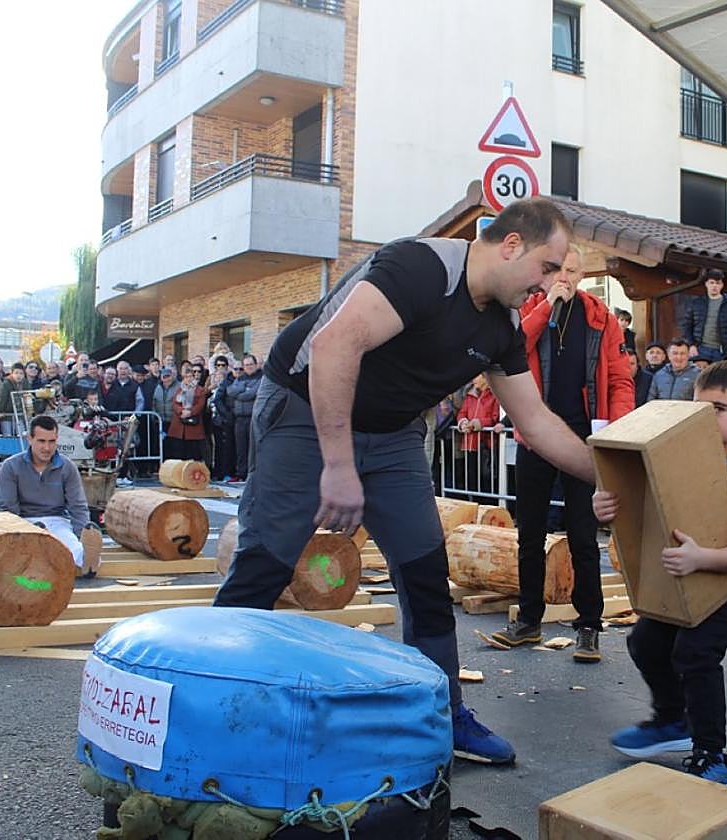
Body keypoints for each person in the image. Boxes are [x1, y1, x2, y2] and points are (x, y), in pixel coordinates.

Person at [213, 198, 595, 767]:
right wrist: (339, 466)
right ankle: (209, 709)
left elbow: (535, 421)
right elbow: (334, 345)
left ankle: (440, 715)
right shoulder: (421, 268)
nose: (547, 284)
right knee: (265, 563)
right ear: (512, 245)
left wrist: (608, 475)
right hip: (305, 407)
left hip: (392, 432)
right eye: (546, 267)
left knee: (425, 573)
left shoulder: (503, 326)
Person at [594, 361, 727, 787]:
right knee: (645, 641)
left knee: (696, 651)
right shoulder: (683, 456)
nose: (706, 418)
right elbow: (643, 501)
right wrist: (604, 507)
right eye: (699, 409)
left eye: (718, 409)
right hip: (703, 565)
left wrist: (699, 559)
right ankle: (672, 721)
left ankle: (712, 756)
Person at [492, 242, 634, 662]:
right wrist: (546, 305)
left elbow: (620, 380)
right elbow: (513, 347)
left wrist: (615, 430)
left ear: (582, 275)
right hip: (536, 435)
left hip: (583, 439)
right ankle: (528, 620)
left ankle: (588, 627)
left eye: (571, 272)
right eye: (557, 271)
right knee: (530, 533)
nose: (564, 279)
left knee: (583, 536)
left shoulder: (601, 317)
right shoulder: (530, 308)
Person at [0, 414, 96, 570]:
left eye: (52, 441)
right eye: (41, 441)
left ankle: (87, 562)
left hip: (58, 521)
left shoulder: (67, 467)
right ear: (30, 439)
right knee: (28, 555)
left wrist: (82, 535)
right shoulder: (10, 467)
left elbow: (78, 506)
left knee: (74, 549)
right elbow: (7, 510)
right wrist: (17, 534)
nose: (47, 448)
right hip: (24, 522)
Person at [678, 268, 727, 363]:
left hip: (722, 351)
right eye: (712, 283)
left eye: (717, 283)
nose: (714, 286)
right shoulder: (697, 303)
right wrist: (691, 345)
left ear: (722, 285)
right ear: (706, 284)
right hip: (700, 349)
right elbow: (686, 325)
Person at [456, 374, 502, 494]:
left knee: (487, 478)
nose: (473, 379)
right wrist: (463, 423)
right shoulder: (469, 395)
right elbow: (462, 413)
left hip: (487, 444)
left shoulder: (495, 394)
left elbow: (496, 418)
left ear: (485, 378)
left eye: (477, 376)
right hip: (470, 444)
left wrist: (479, 423)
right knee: (472, 479)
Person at [225, 354, 263, 483]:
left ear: (256, 365)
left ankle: (253, 474)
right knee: (240, 448)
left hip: (253, 417)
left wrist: (240, 393)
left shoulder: (261, 377)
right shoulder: (240, 379)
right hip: (239, 419)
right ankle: (241, 473)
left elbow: (252, 394)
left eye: (250, 364)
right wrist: (243, 389)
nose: (248, 367)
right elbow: (230, 391)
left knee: (253, 447)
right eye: (246, 365)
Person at [167, 364, 207, 462]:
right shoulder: (179, 389)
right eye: (186, 377)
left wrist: (190, 412)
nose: (189, 379)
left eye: (191, 376)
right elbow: (174, 403)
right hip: (178, 426)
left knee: (193, 454)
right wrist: (181, 411)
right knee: (178, 454)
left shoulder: (200, 390)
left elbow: (200, 404)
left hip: (193, 426)